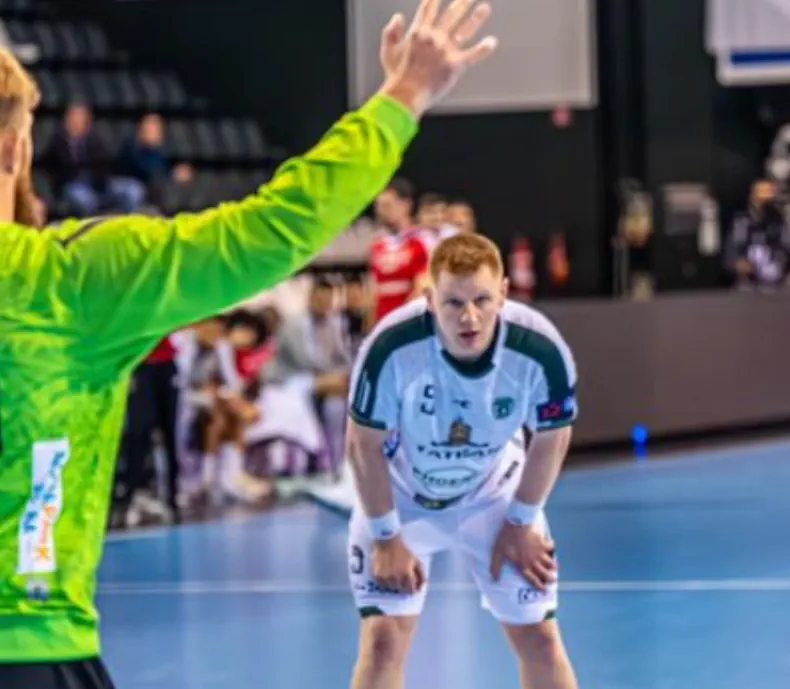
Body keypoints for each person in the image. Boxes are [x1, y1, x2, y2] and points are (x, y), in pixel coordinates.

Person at [0, 2, 498, 687]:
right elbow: (270, 230)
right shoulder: (69, 276)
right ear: (16, 148)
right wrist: (401, 98)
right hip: (28, 646)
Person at [344, 232, 580, 689]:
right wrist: (386, 536)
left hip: (492, 492)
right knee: (382, 642)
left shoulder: (540, 350)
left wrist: (521, 521)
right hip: (403, 496)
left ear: (505, 294)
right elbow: (362, 445)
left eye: (482, 300)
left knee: (542, 640)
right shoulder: (391, 348)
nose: (469, 317)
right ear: (430, 298)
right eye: (453, 303)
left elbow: (553, 437)